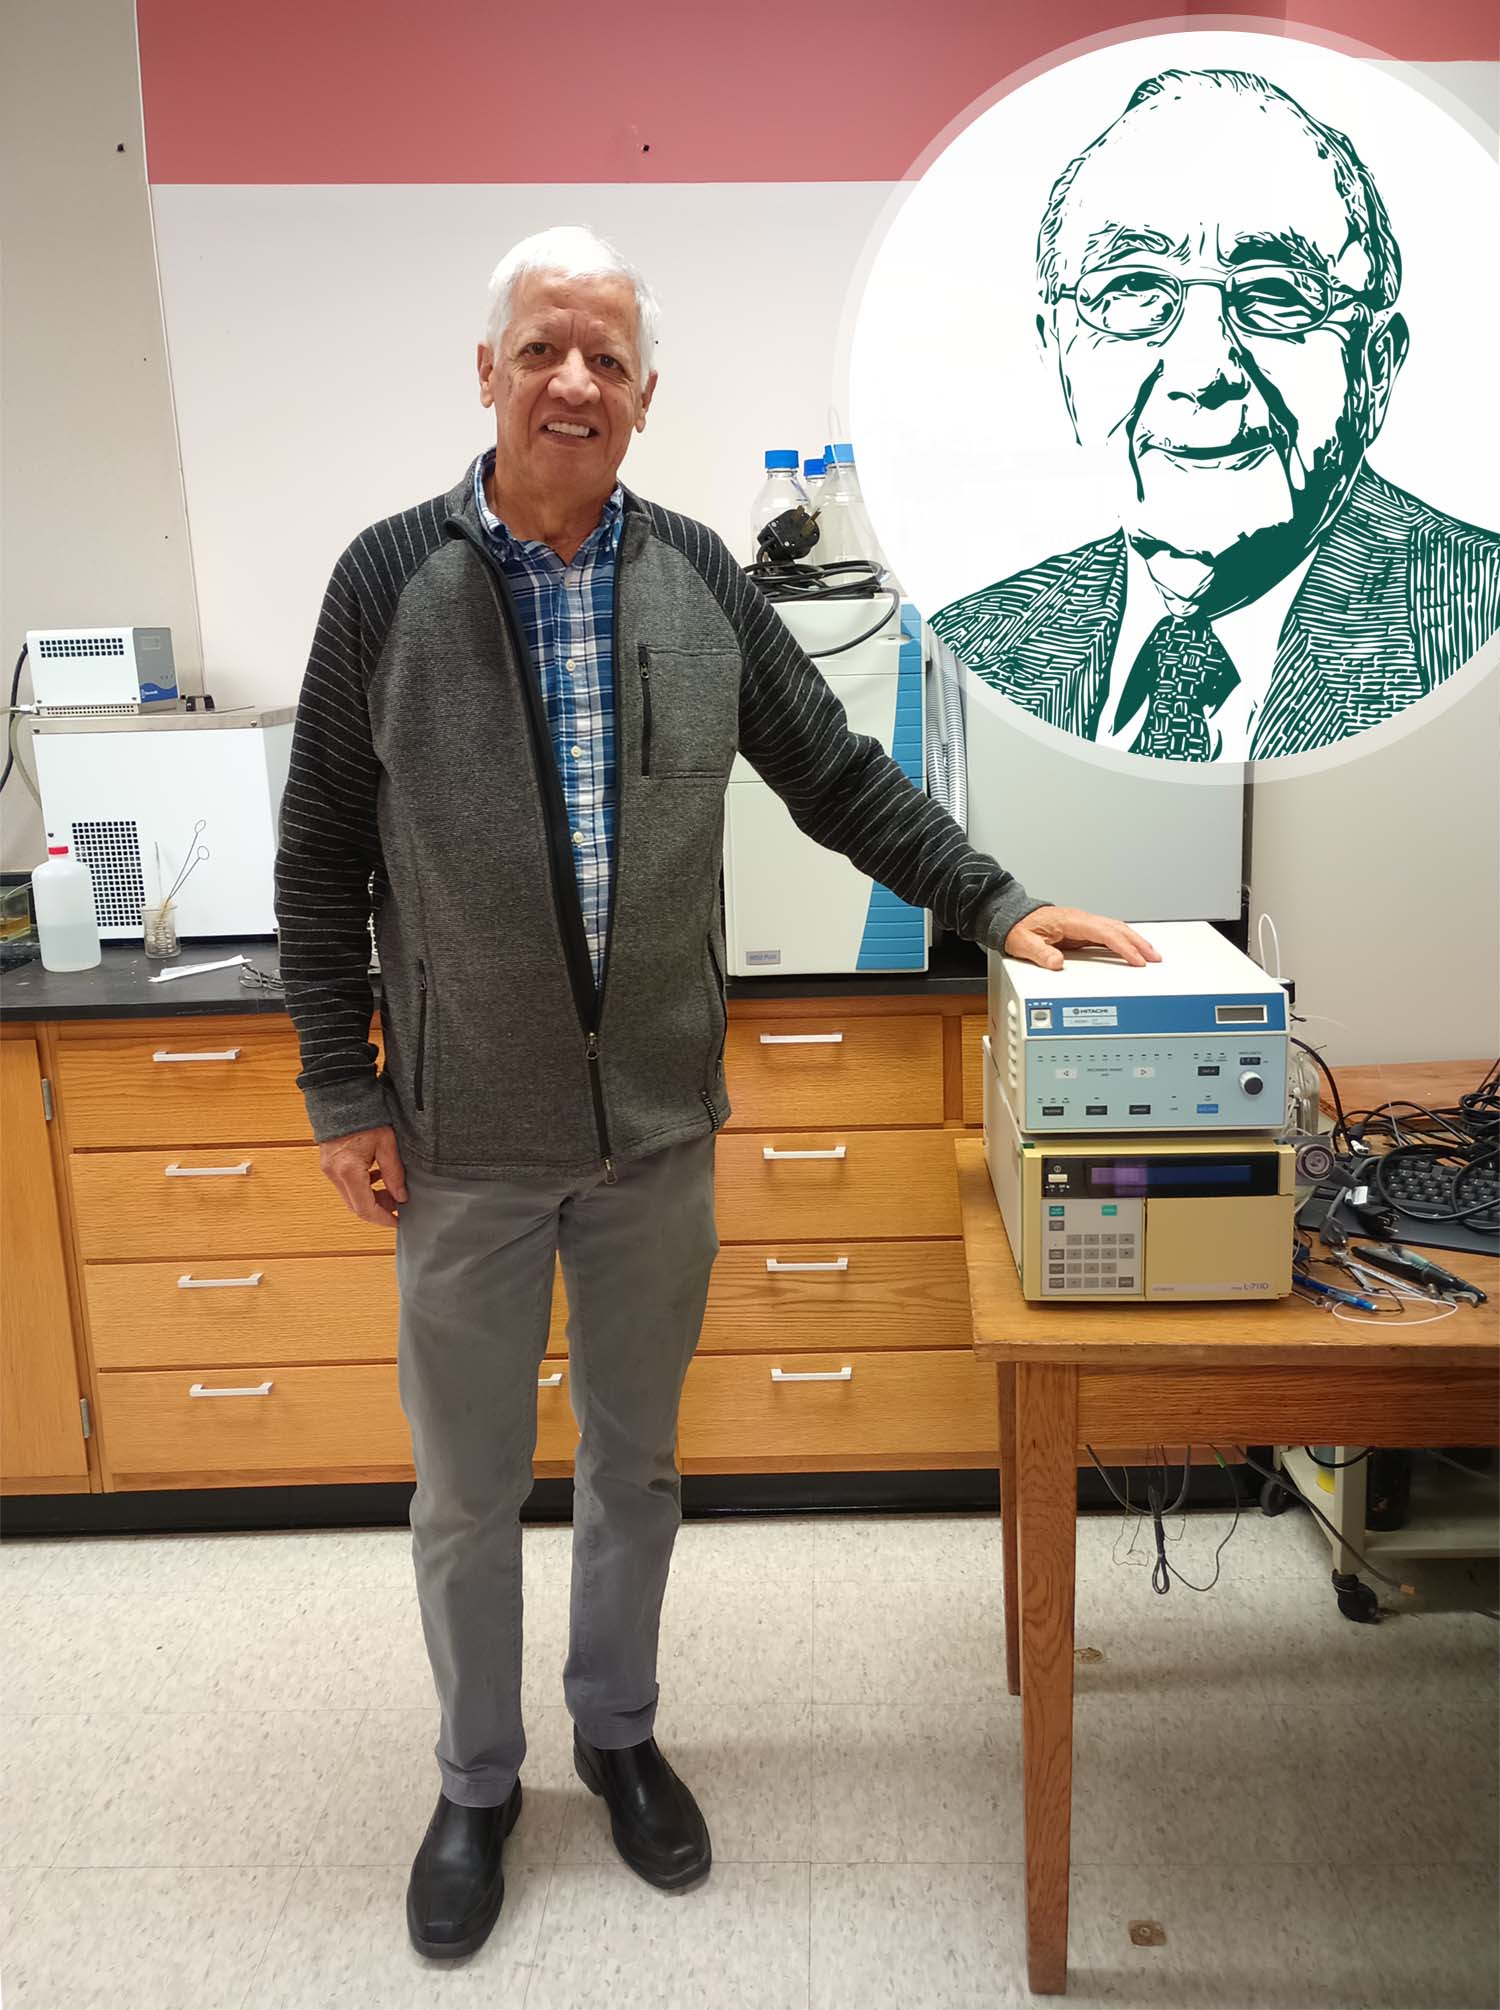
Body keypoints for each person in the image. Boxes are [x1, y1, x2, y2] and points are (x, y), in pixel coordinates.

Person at [273, 224, 1157, 1962]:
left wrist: (994, 902)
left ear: (647, 394)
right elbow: (318, 856)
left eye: (606, 356)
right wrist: (339, 1085)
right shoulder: (387, 581)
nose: (575, 382)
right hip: (458, 1139)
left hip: (656, 1132)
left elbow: (836, 780)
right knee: (463, 1492)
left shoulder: (694, 578)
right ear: (488, 373)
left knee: (637, 1464)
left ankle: (616, 1733)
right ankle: (475, 1780)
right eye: (543, 349)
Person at [931, 68, 1500, 762]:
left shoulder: (1478, 628)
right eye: (1134, 289)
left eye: (1278, 293)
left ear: (1376, 368)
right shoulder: (971, 650)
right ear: (1058, 355)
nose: (1203, 373)